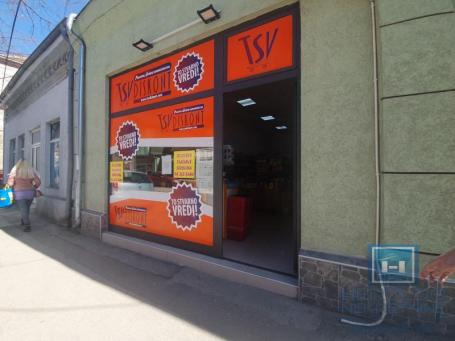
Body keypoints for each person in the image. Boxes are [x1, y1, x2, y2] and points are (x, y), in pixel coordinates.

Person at [7, 159, 41, 232]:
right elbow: (38, 181)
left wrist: (13, 182)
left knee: (23, 209)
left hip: (19, 193)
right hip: (30, 193)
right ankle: (23, 220)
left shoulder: (15, 172)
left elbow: (10, 184)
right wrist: (34, 187)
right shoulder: (31, 172)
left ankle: (27, 225)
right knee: (26, 208)